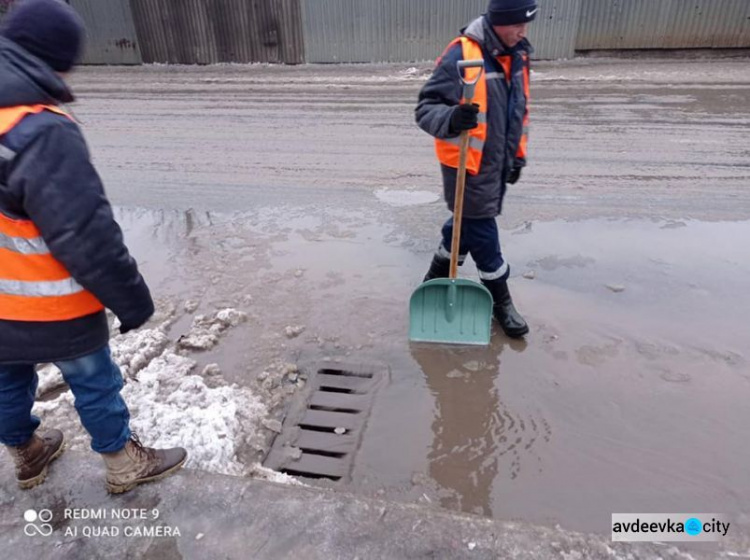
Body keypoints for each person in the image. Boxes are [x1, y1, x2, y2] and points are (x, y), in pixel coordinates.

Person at [0, 0, 186, 493]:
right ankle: (123, 462)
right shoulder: (39, 129)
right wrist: (131, 299)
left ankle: (26, 452)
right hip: (49, 303)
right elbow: (84, 233)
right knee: (93, 379)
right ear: (56, 59)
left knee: (4, 379)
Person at [416, 0, 538, 338]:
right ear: (499, 21)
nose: (522, 32)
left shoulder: (518, 55)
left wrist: (517, 156)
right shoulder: (463, 55)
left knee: (464, 223)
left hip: (497, 163)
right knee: (482, 229)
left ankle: (435, 275)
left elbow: (520, 113)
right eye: (517, 24)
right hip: (466, 166)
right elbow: (426, 108)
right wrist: (452, 118)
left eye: (526, 25)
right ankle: (502, 300)